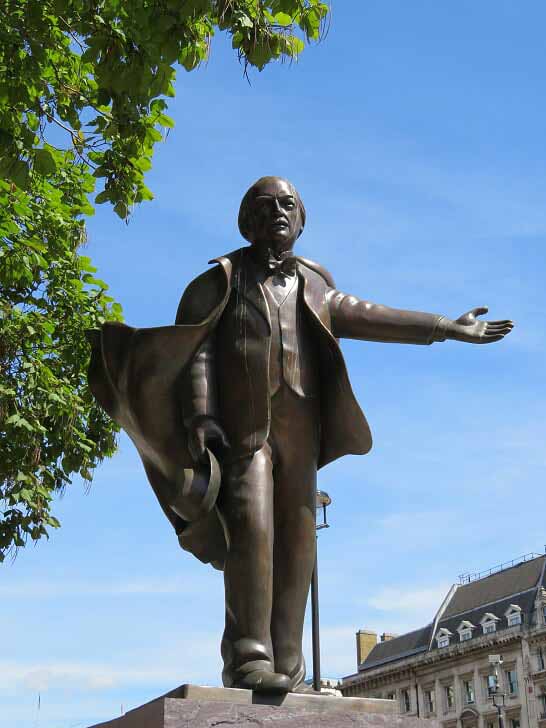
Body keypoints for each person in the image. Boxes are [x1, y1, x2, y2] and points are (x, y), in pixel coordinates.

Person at [87, 176, 513, 695]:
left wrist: (445, 326)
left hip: (301, 431)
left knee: (299, 544)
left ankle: (288, 664)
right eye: (265, 206)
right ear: (247, 222)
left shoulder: (313, 283)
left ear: (301, 218)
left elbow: (369, 314)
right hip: (246, 434)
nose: (278, 212)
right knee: (252, 532)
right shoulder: (222, 281)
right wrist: (201, 418)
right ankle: (248, 658)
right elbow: (195, 351)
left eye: (287, 204)